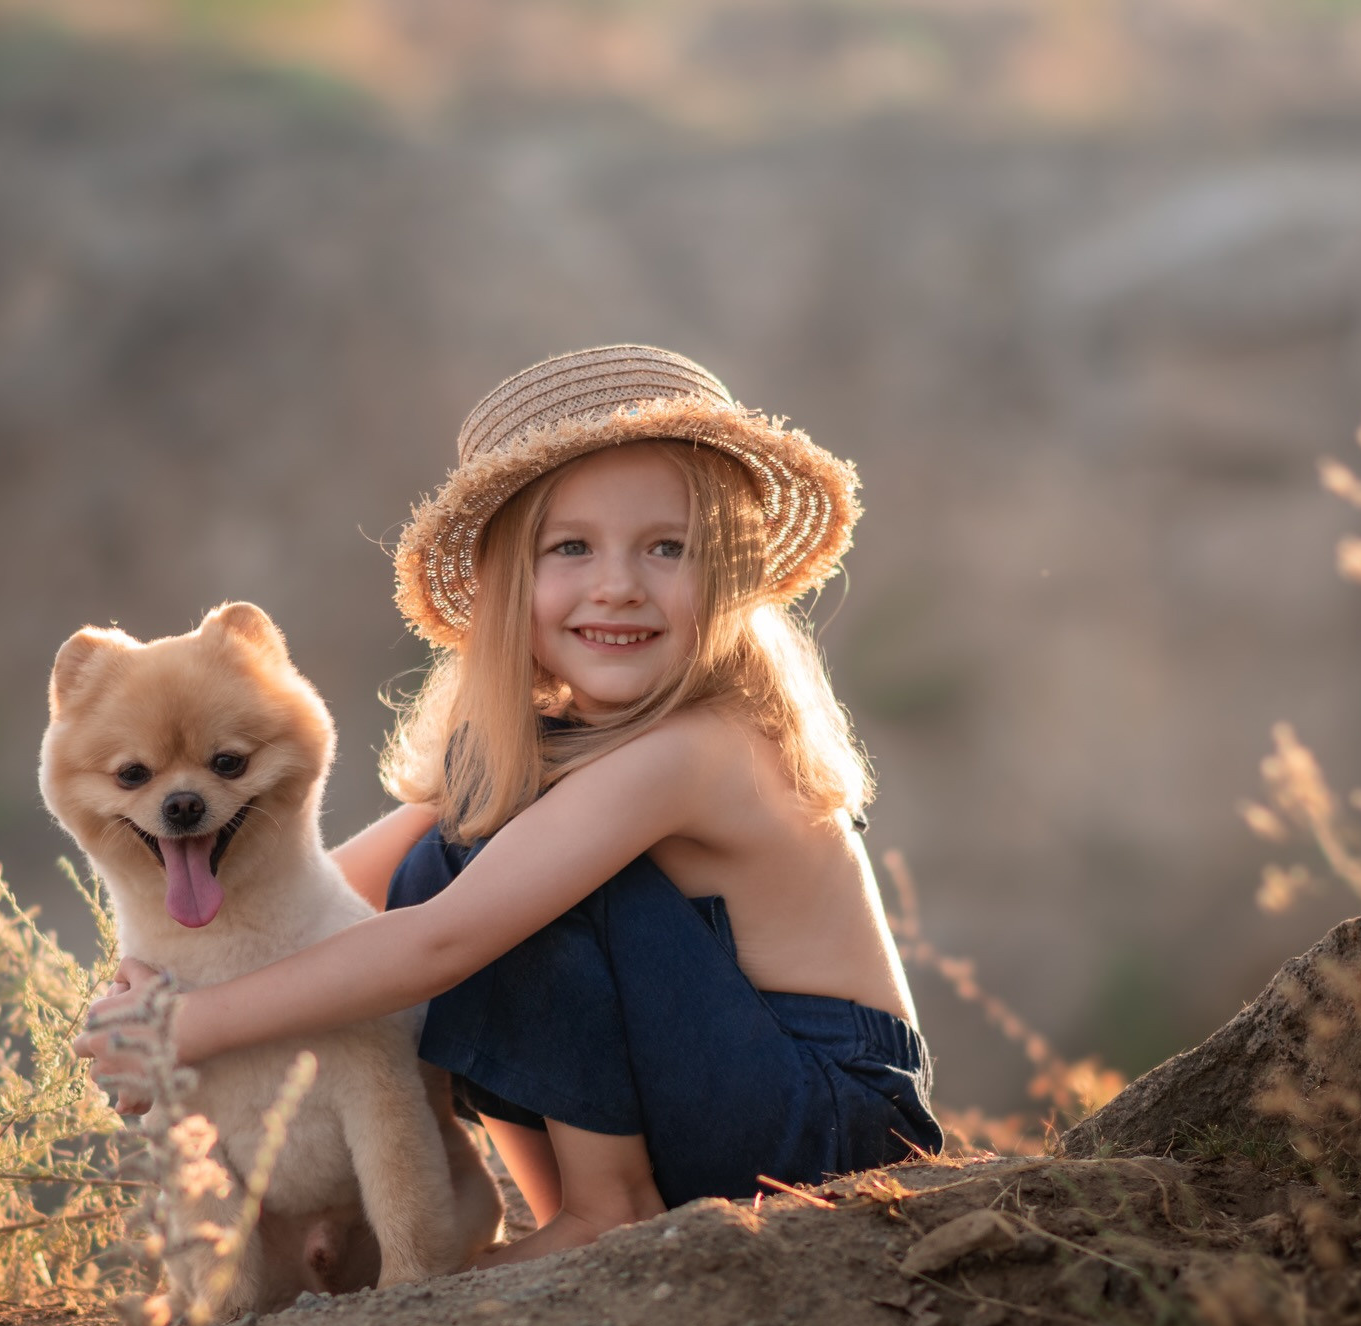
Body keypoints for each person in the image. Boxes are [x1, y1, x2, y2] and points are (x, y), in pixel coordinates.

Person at [77, 344, 941, 1266]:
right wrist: (157, 988)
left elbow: (436, 943)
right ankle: (573, 1207)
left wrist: (187, 1030)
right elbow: (327, 904)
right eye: (569, 547)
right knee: (443, 857)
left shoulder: (700, 749)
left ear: (728, 573)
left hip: (827, 1124)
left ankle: (601, 1213)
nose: (618, 584)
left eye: (669, 547)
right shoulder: (540, 757)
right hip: (732, 1114)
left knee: (473, 884)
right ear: (504, 590)